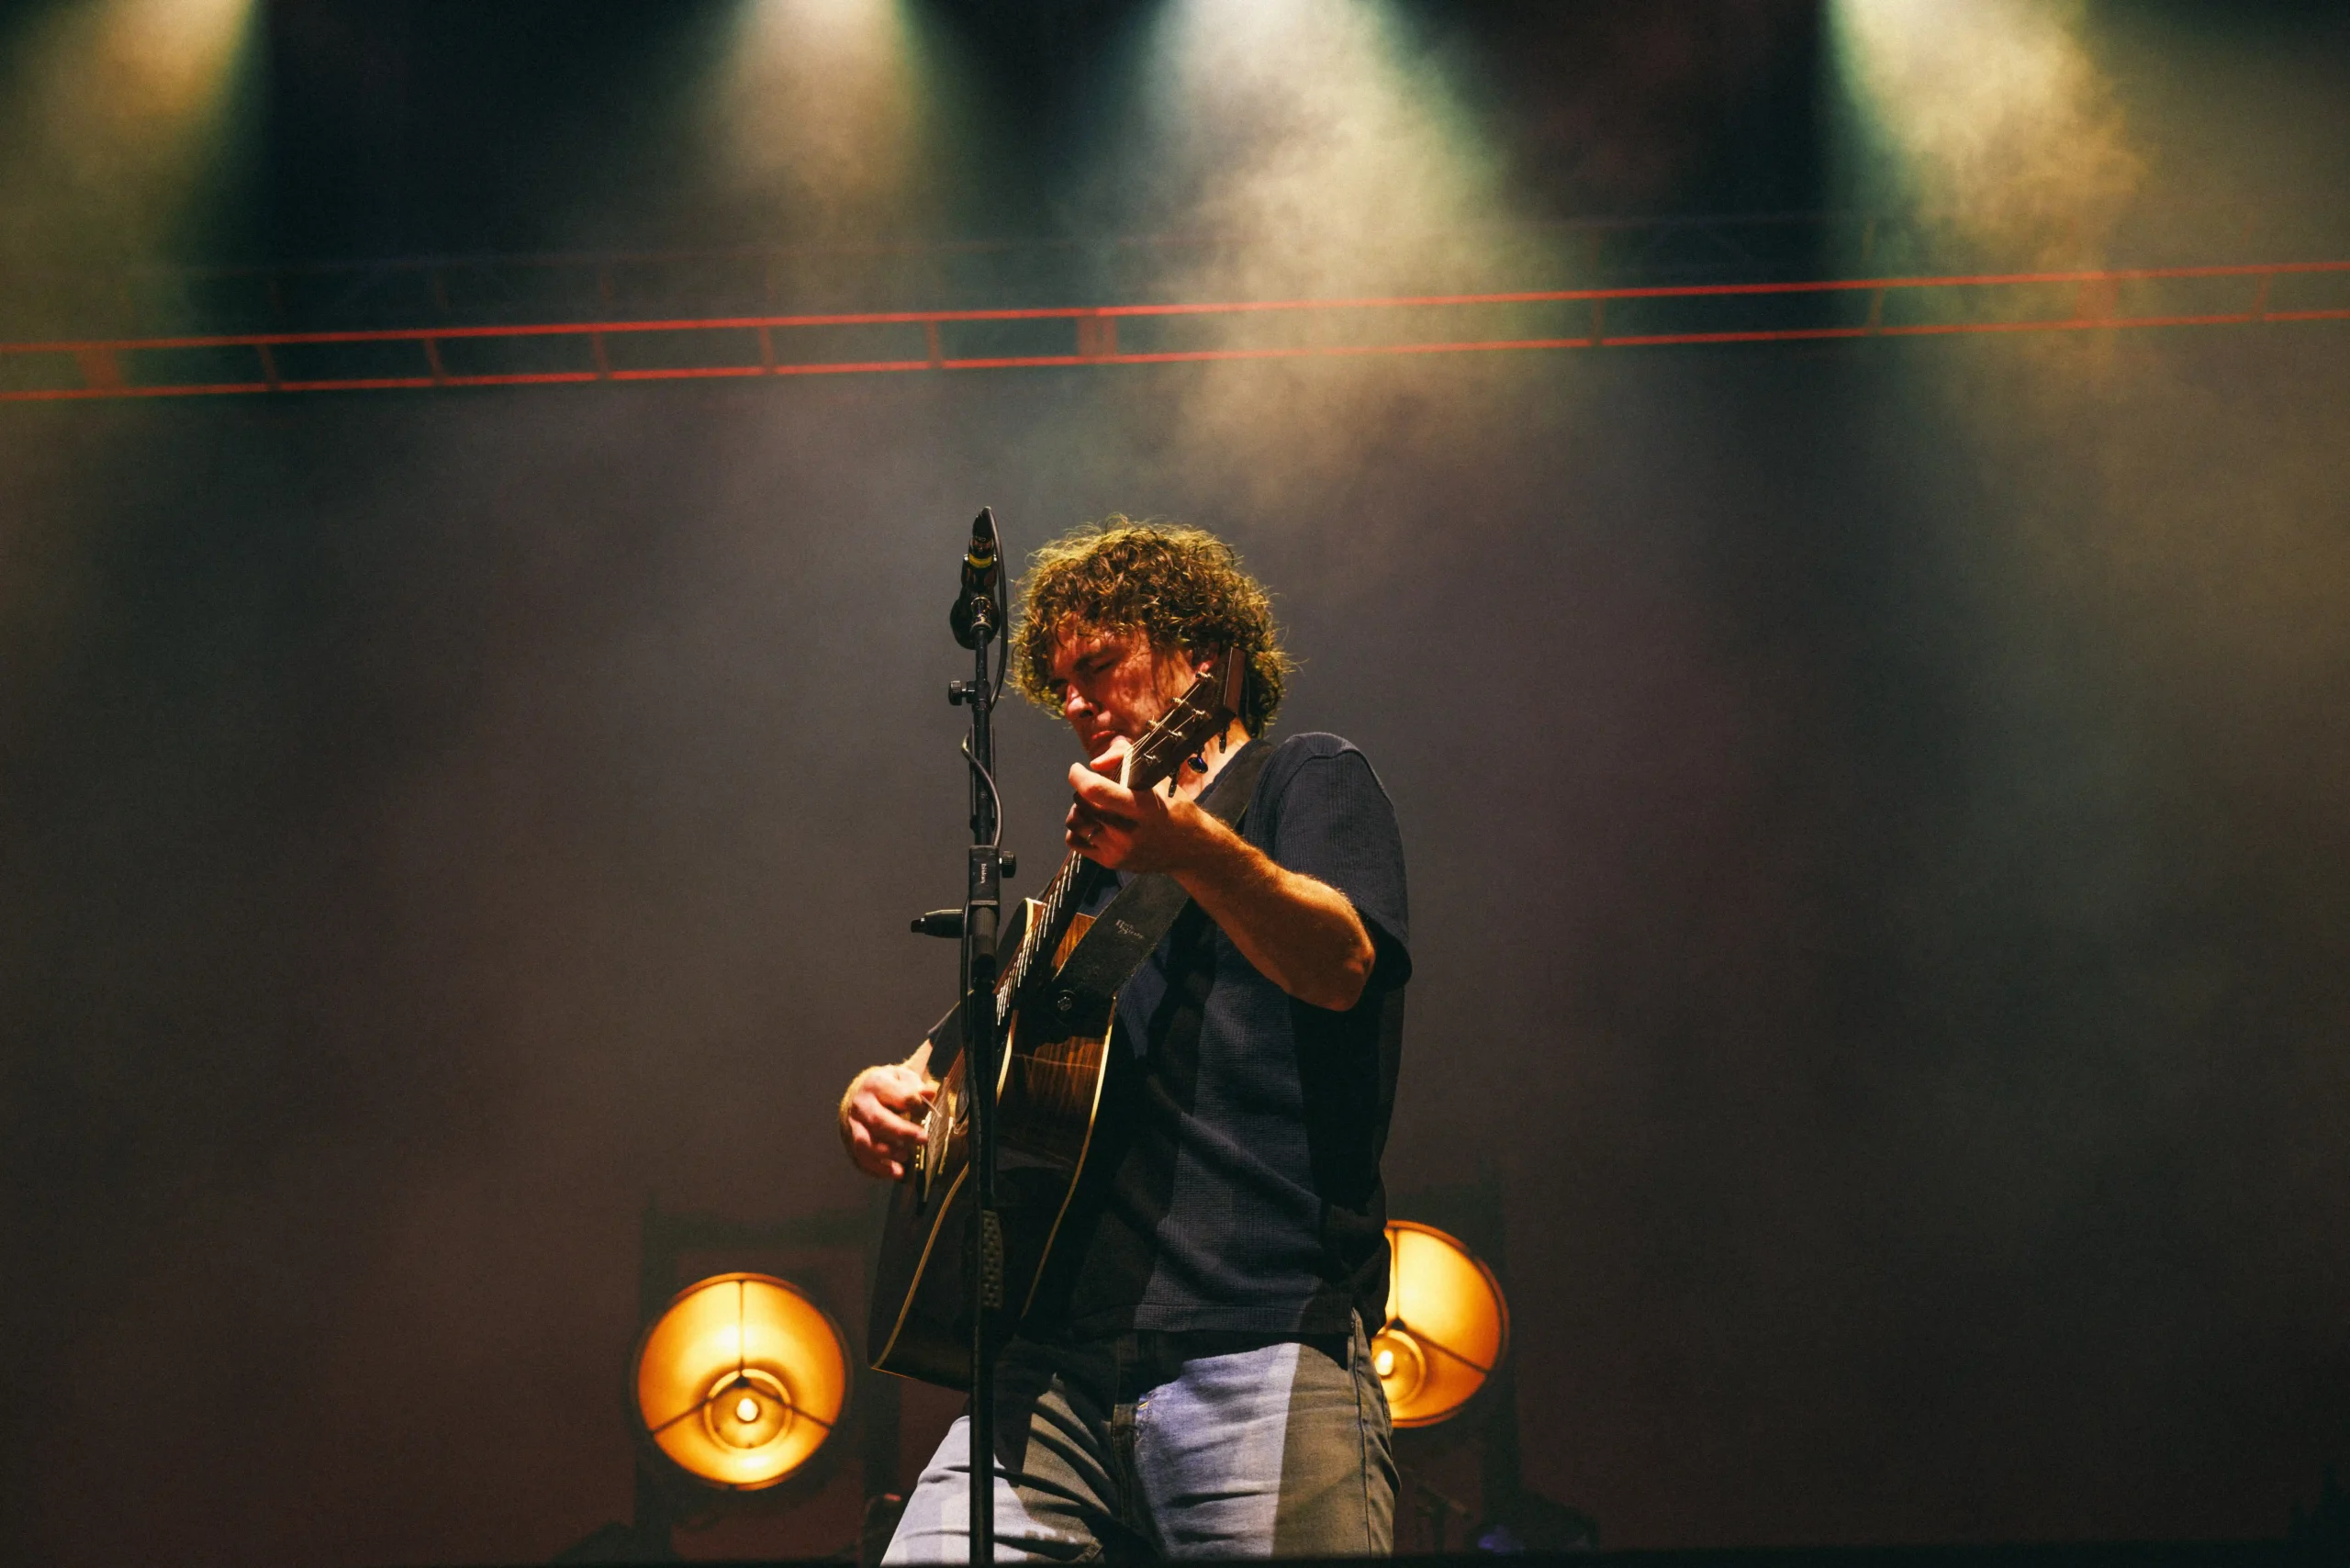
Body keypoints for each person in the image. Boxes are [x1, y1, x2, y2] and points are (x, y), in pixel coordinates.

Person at [838, 520, 1410, 1561]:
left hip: (1256, 1342)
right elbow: (949, 1059)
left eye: (1098, 665)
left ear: (1206, 657)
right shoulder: (1086, 884)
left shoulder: (1307, 777)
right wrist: (879, 1094)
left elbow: (1341, 963)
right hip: (1043, 1372)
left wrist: (1194, 850)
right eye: (1059, 683)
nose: (1072, 702)